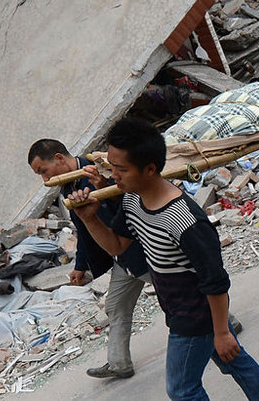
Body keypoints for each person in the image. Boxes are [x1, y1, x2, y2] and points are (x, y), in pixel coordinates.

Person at [67, 117, 259, 401]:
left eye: (121, 169)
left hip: (194, 317)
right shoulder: (132, 200)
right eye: (111, 168)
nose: (113, 177)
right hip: (181, 308)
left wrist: (221, 331)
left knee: (182, 390)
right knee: (236, 362)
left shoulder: (185, 221)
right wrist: (89, 220)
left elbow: (215, 281)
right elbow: (117, 246)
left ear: (150, 169)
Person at [28, 139, 151, 379]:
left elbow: (132, 201)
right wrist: (81, 265)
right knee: (116, 307)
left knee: (179, 290)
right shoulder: (68, 186)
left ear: (60, 159)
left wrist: (105, 187)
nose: (44, 179)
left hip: (142, 250)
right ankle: (119, 363)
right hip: (121, 257)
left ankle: (223, 324)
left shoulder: (101, 170)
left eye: (44, 171)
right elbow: (84, 228)